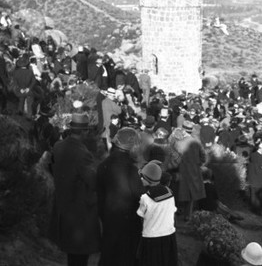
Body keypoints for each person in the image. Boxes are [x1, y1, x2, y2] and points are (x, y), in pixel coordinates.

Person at [49, 113, 101, 266]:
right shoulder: (82, 153)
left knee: (71, 255)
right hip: (80, 210)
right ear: (84, 131)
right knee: (80, 256)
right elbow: (93, 182)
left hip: (62, 205)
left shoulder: (58, 146)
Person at [96, 127, 144, 266]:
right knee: (125, 257)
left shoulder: (103, 165)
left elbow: (99, 193)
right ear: (132, 147)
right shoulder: (130, 169)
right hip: (128, 222)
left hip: (107, 218)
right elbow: (139, 195)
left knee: (108, 255)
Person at [137, 161, 178, 266]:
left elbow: (140, 216)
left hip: (151, 237)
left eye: (142, 177)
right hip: (169, 235)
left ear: (147, 180)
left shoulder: (145, 198)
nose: (140, 179)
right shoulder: (170, 193)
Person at [175, 121, 207, 220]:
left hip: (181, 170)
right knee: (191, 193)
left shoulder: (178, 142)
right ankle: (188, 215)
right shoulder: (196, 142)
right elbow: (203, 156)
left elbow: (174, 158)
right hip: (194, 170)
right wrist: (199, 163)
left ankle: (179, 212)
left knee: (180, 191)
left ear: (183, 130)